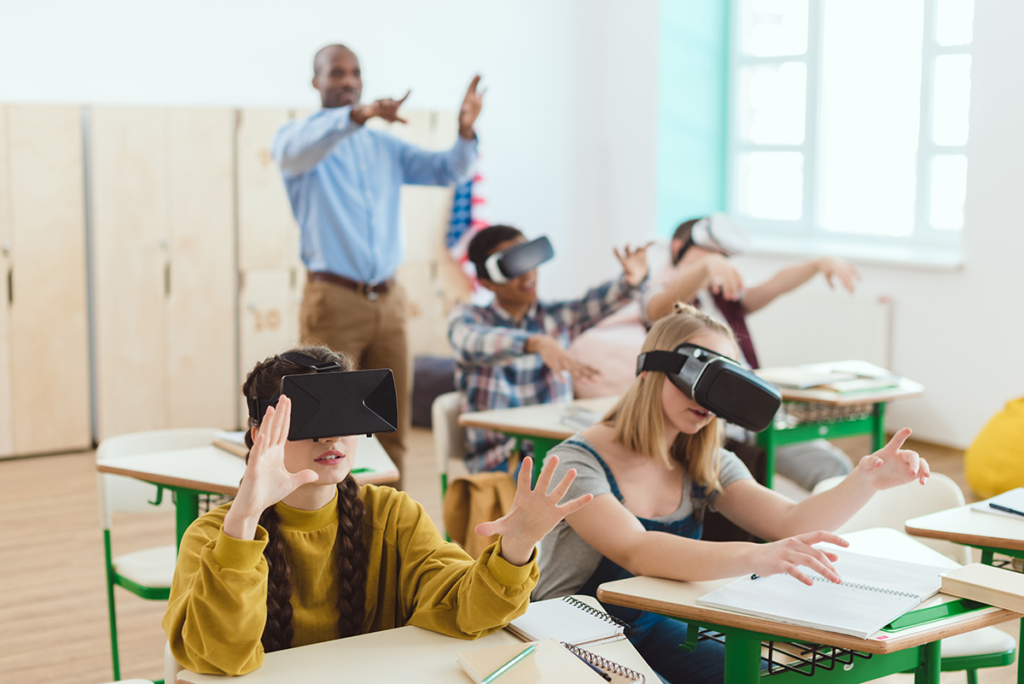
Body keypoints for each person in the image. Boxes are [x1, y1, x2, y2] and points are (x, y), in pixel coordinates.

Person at [533, 303, 930, 684]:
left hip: (651, 624)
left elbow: (790, 521)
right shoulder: (576, 462)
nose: (708, 400)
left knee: (757, 678)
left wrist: (866, 481)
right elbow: (635, 550)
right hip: (569, 630)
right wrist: (754, 555)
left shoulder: (705, 461)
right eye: (704, 377)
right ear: (652, 370)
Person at [163, 346, 592, 675]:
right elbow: (217, 659)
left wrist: (515, 549)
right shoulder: (213, 537)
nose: (330, 437)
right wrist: (242, 524)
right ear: (260, 434)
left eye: (344, 413)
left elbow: (467, 612)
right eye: (310, 419)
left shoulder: (391, 515)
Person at [271, 44, 485, 488]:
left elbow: (446, 170)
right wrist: (358, 115)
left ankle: (392, 529)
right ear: (316, 81)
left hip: (389, 302)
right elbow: (293, 154)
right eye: (335, 73)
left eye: (354, 73)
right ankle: (333, 528)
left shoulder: (382, 145)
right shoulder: (300, 140)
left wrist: (465, 133)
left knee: (390, 425)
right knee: (326, 428)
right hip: (334, 302)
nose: (347, 81)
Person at [448, 225, 650, 473]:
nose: (528, 275)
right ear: (486, 282)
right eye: (513, 267)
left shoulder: (557, 317)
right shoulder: (469, 317)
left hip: (561, 452)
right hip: (503, 460)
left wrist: (633, 280)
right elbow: (470, 341)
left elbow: (599, 301)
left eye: (529, 260)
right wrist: (535, 343)